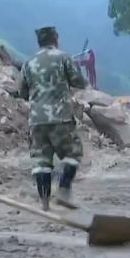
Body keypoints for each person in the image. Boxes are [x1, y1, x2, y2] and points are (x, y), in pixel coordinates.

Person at [18, 26, 88, 210]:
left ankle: (45, 204)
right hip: (60, 117)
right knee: (73, 152)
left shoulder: (28, 62)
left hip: (36, 120)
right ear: (56, 38)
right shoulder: (63, 57)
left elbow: (22, 92)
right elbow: (78, 82)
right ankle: (63, 191)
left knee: (41, 161)